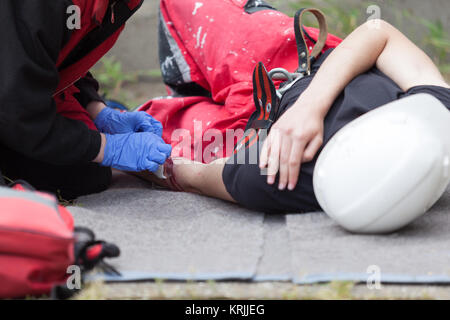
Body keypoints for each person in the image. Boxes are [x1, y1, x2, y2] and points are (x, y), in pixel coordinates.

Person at [138, 0, 450, 213]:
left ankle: (186, 87)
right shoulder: (435, 118)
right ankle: (193, 73)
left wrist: (168, 169)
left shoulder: (286, 178)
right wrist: (309, 107)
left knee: (144, 131)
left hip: (247, 132)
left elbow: (201, 176)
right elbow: (377, 33)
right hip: (292, 62)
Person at [0, 0, 172, 200]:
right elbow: (15, 104)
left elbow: (54, 60)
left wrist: (96, 108)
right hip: (12, 104)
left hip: (16, 91)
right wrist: (105, 147)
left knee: (86, 175)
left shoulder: (121, 4)